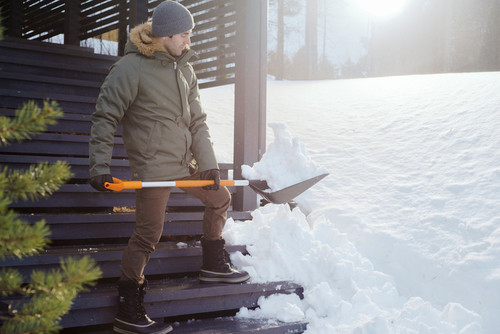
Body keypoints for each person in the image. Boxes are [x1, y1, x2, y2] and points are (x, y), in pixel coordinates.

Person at [88, 1, 249, 333]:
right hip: (152, 167)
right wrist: (99, 166)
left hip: (185, 163)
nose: (189, 42)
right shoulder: (130, 69)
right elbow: (105, 117)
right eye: (185, 35)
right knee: (148, 235)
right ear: (165, 35)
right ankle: (128, 307)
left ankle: (212, 264)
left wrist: (209, 166)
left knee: (220, 199)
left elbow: (198, 123)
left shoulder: (185, 69)